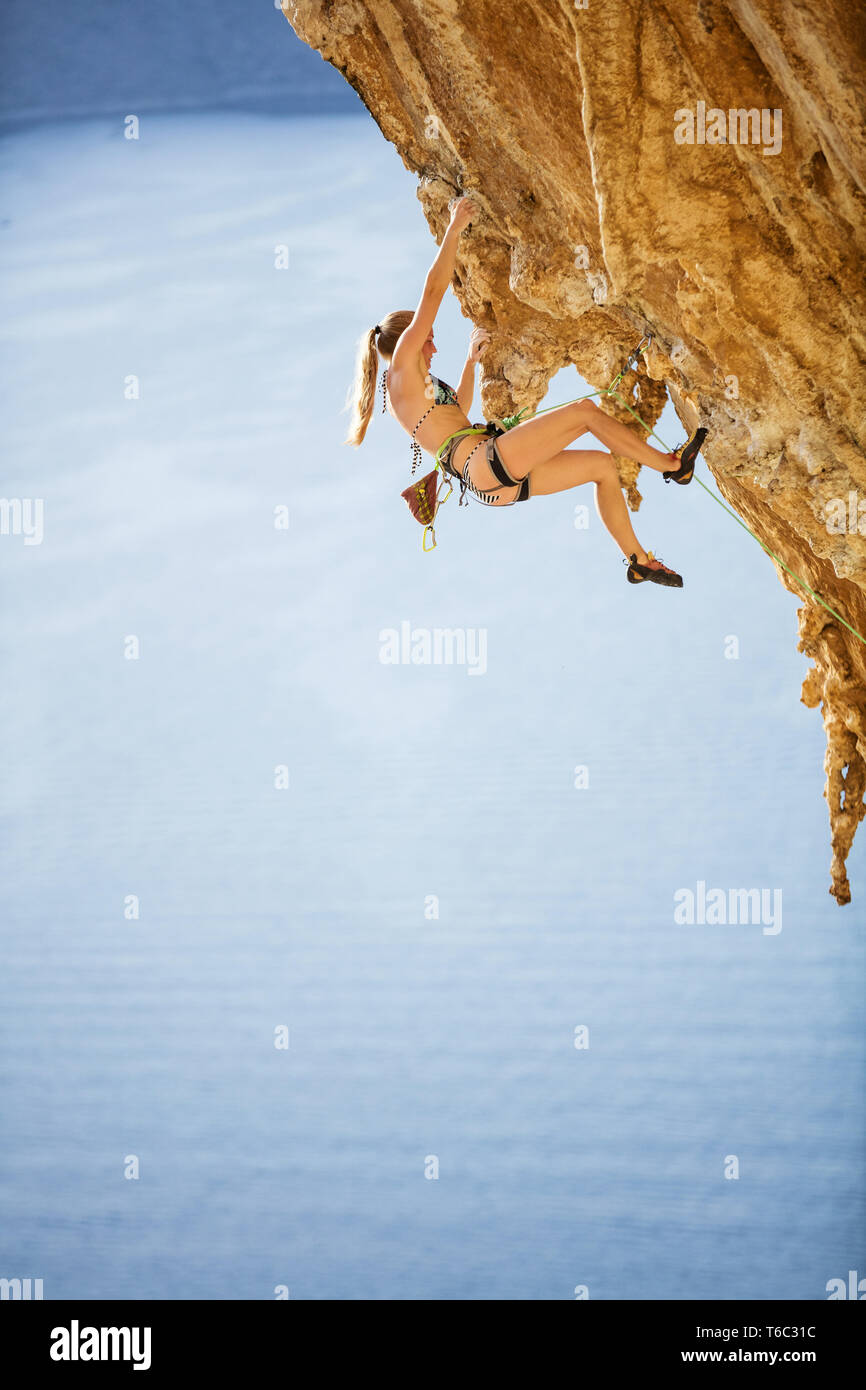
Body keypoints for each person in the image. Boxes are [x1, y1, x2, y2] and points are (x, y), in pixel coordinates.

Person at [344, 196, 706, 586]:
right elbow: (432, 292)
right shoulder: (401, 365)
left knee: (603, 468)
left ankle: (639, 560)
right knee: (585, 412)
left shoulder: (416, 388)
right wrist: (454, 226)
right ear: (409, 338)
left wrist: (470, 362)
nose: (433, 347)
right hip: (484, 463)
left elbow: (460, 414)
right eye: (428, 338)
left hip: (490, 481)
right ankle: (673, 466)